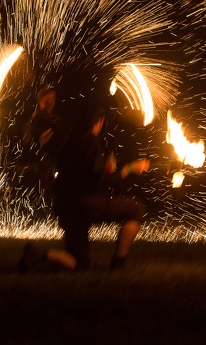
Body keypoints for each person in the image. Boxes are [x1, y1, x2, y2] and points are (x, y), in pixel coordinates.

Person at [19, 102, 151, 272]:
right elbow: (99, 181)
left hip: (65, 206)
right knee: (136, 209)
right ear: (100, 121)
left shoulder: (71, 140)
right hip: (82, 204)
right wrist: (130, 169)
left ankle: (37, 255)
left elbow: (84, 172)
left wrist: (106, 168)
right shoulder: (90, 142)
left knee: (79, 264)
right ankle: (119, 262)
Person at [21, 86, 61, 202]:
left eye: (53, 98)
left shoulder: (56, 120)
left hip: (54, 167)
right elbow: (27, 141)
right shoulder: (33, 120)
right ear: (40, 100)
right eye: (47, 98)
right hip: (39, 169)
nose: (51, 101)